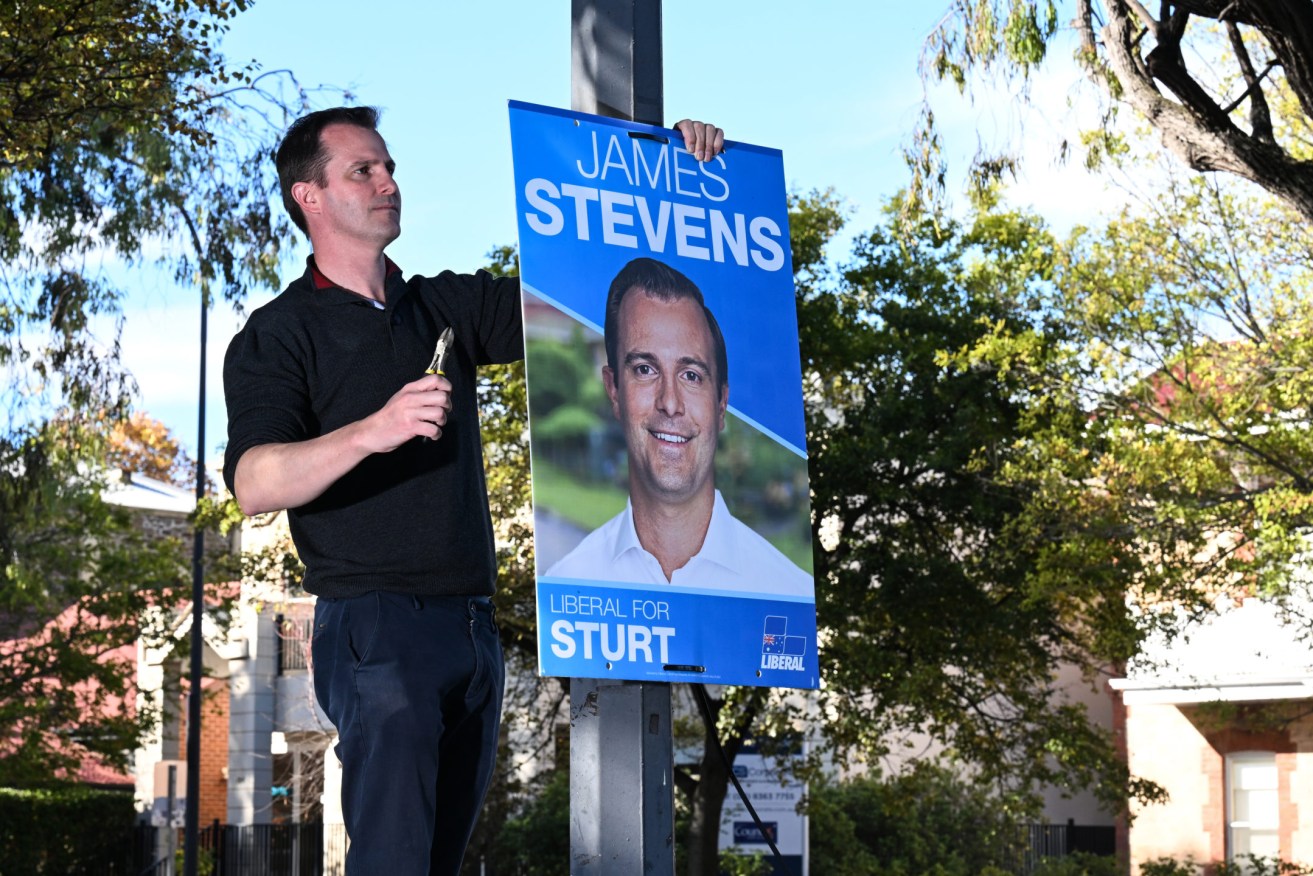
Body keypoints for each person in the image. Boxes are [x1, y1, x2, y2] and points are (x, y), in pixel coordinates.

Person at [221, 108, 724, 875]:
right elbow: (255, 483)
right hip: (378, 628)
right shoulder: (279, 333)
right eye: (364, 170)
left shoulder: (443, 307)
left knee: (438, 863)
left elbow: (593, 297)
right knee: (392, 861)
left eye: (389, 167)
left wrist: (670, 172)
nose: (389, 182)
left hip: (472, 626)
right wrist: (373, 429)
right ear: (308, 197)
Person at [545, 257, 812, 597]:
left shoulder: (789, 592)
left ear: (721, 404)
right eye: (644, 369)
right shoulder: (567, 586)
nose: (669, 402)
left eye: (691, 376)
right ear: (613, 389)